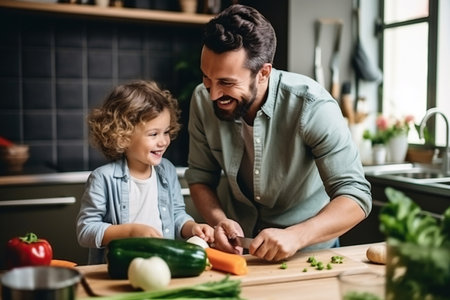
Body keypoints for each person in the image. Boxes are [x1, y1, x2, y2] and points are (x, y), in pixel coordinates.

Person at [184, 4, 372, 262]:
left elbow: (355, 195)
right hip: (238, 253)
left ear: (263, 73)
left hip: (308, 255)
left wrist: (297, 236)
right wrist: (220, 221)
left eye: (227, 83)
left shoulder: (312, 106)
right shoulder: (201, 99)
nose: (214, 94)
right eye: (207, 79)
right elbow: (201, 178)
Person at [77, 80, 214, 264]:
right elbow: (86, 230)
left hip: (163, 265)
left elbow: (177, 215)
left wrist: (192, 227)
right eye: (153, 134)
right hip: (120, 269)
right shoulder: (103, 178)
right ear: (123, 135)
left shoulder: (167, 171)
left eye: (166, 132)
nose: (163, 141)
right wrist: (131, 232)